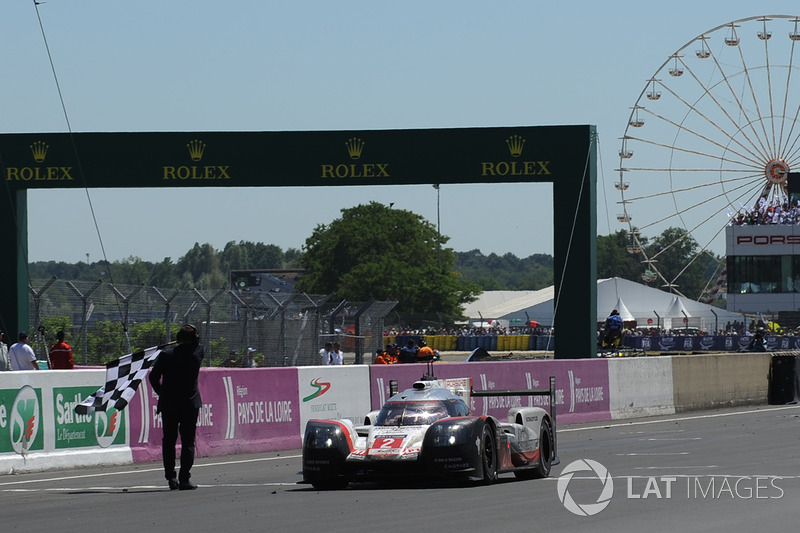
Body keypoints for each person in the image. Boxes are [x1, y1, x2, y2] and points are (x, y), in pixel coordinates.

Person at [148, 324, 204, 491]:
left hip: (169, 403)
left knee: (169, 441)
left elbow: (153, 377)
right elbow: (197, 344)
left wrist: (162, 393)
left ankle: (171, 478)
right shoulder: (198, 352)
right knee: (187, 442)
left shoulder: (166, 354)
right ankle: (184, 479)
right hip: (189, 403)